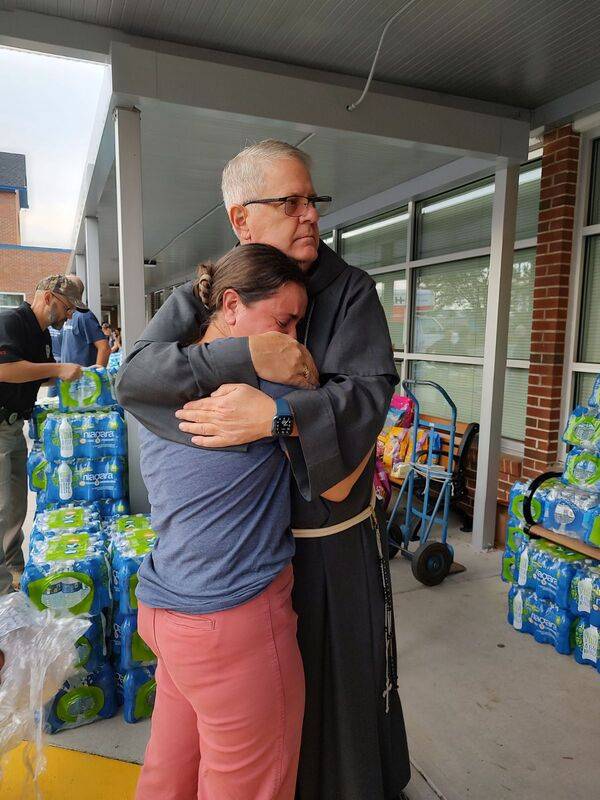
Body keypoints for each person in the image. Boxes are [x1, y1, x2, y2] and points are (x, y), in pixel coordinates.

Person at [117, 139, 411, 799]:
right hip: (237, 581)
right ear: (241, 220)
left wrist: (271, 420)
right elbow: (136, 375)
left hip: (322, 549)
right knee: (246, 740)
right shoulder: (214, 289)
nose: (311, 215)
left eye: (314, 200)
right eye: (290, 201)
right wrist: (247, 354)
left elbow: (364, 406)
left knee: (328, 715)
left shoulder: (352, 292)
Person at [0, 276, 84, 594]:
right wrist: (56, 370)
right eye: (67, 307)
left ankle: (14, 570)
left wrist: (73, 374)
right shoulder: (12, 321)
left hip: (14, 426)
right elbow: (5, 369)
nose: (70, 316)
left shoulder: (42, 335)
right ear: (48, 298)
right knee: (2, 506)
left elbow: (40, 374)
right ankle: (3, 593)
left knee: (15, 506)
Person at [60, 276, 110, 368]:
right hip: (69, 378)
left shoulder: (84, 316)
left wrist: (96, 376)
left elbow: (104, 348)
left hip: (83, 379)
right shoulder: (68, 315)